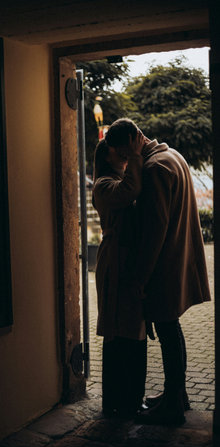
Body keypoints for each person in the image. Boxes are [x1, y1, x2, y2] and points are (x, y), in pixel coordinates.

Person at [104, 118, 211, 426]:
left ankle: (173, 404)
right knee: (170, 329)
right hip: (180, 260)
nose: (123, 161)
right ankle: (176, 394)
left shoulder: (153, 168)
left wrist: (140, 277)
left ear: (130, 143)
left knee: (167, 330)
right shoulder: (172, 155)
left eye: (121, 153)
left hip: (164, 266)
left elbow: (155, 230)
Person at [92, 131, 147, 419]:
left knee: (130, 330)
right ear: (106, 155)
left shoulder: (114, 180)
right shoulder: (103, 185)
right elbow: (131, 191)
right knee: (117, 331)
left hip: (124, 260)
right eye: (118, 151)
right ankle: (116, 401)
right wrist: (137, 157)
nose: (124, 154)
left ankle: (129, 399)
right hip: (114, 261)